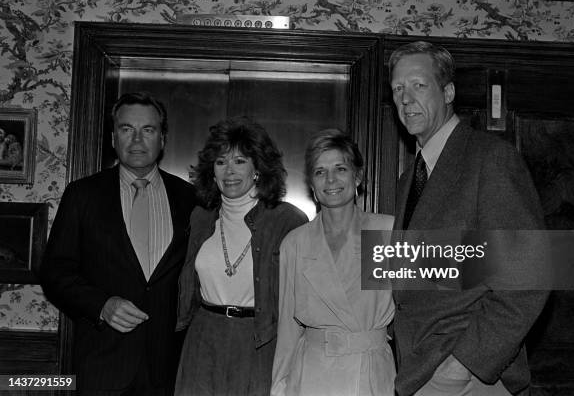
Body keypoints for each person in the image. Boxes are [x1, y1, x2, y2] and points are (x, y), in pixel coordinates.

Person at [388, 41, 550, 396]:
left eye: (418, 85)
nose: (405, 98)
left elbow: (530, 277)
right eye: (398, 88)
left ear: (448, 92)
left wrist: (464, 363)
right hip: (418, 370)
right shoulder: (408, 180)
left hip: (468, 377)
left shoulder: (489, 158)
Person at [40, 92, 196, 395]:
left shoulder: (190, 199)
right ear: (114, 138)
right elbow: (55, 272)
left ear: (162, 139)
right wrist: (102, 305)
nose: (137, 139)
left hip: (169, 369)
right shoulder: (82, 195)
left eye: (148, 130)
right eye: (127, 129)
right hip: (102, 365)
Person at [174, 116, 307, 396]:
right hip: (202, 341)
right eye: (221, 162)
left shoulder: (287, 221)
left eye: (240, 161)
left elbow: (302, 300)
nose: (229, 171)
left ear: (257, 168)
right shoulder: (200, 218)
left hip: (258, 342)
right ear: (212, 171)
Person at [272, 129, 396, 396]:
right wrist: (280, 386)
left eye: (340, 168)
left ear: (358, 176)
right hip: (312, 377)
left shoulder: (385, 232)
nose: (330, 179)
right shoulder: (295, 243)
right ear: (312, 186)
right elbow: (288, 329)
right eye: (320, 172)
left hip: (370, 375)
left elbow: (463, 271)